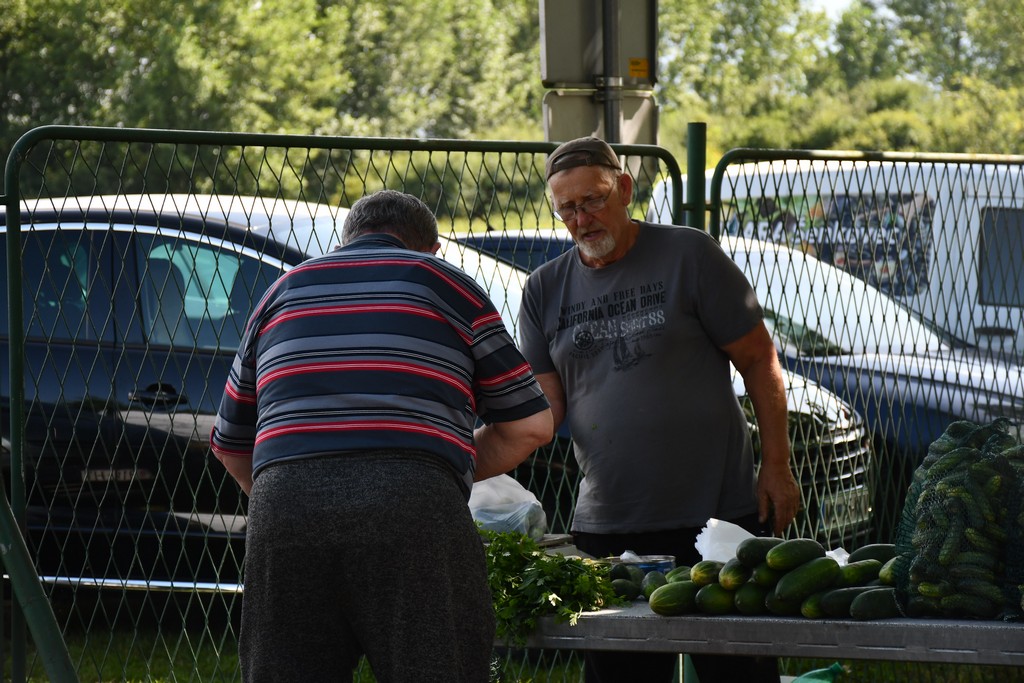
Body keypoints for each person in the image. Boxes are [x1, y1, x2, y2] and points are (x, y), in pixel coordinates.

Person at [211, 189, 554, 683]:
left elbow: (230, 444)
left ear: (346, 241)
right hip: (416, 507)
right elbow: (532, 425)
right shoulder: (445, 283)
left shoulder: (282, 292)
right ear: (430, 249)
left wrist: (298, 492)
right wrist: (436, 468)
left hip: (284, 507)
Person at [518, 137, 800, 683]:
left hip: (716, 517)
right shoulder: (543, 289)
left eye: (594, 200)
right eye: (568, 209)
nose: (582, 218)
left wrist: (778, 464)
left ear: (624, 189)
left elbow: (760, 362)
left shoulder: (689, 255)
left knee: (738, 673)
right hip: (610, 522)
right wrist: (479, 457)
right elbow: (545, 406)